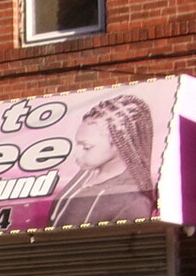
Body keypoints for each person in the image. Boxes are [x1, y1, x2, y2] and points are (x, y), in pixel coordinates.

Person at [48, 95, 157, 227]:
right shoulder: (87, 172)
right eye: (78, 144)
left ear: (118, 143)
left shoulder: (133, 201)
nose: (77, 154)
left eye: (86, 147)